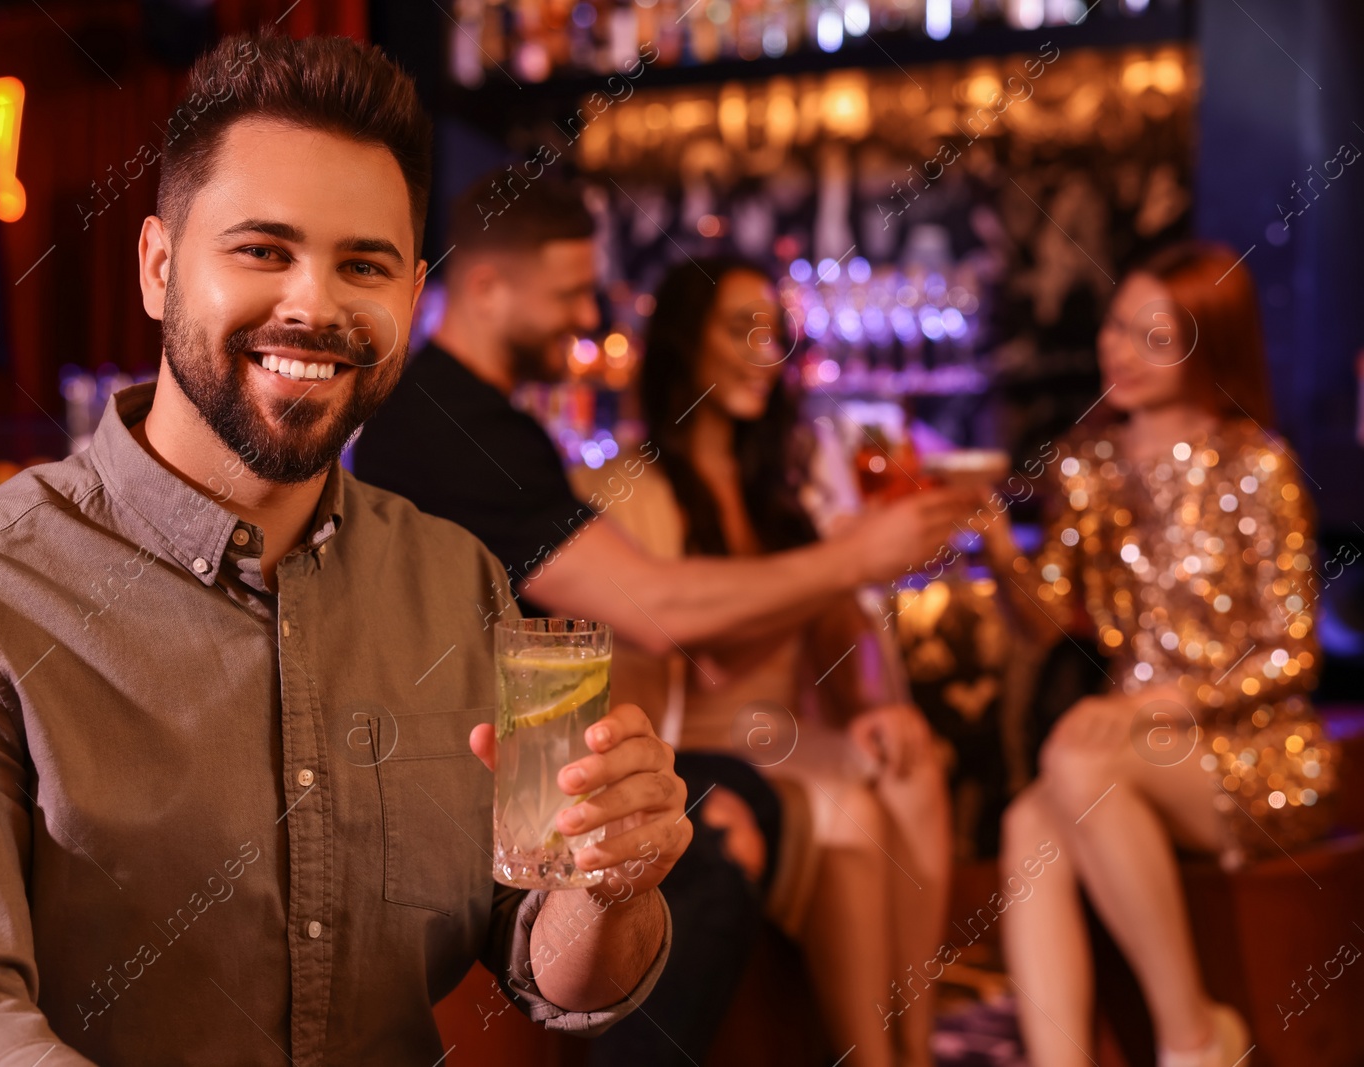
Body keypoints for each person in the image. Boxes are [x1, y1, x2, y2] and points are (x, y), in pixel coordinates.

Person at [0, 35, 691, 1067]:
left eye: (363, 264)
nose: (313, 306)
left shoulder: (457, 585)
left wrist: (606, 887)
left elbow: (546, 963)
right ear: (158, 267)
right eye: (263, 250)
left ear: (411, 299)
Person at [353, 175, 969, 1064]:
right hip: (469, 778)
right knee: (714, 838)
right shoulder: (452, 424)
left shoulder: (479, 420)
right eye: (568, 293)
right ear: (487, 287)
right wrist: (857, 556)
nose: (585, 314)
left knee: (753, 800)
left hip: (516, 759)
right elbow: (660, 610)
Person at [570, 257, 952, 1067]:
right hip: (697, 748)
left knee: (910, 757)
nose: (764, 349)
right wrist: (840, 562)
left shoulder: (782, 491)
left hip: (789, 736)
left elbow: (841, 632)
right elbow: (700, 649)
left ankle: (917, 1046)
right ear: (684, 342)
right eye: (740, 328)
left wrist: (879, 696)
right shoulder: (625, 490)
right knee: (851, 809)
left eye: (774, 331)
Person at [978, 242, 1338, 1067]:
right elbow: (1047, 622)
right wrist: (997, 550)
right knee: (1026, 818)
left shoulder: (1258, 464)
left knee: (1072, 756)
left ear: (1207, 341)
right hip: (1121, 745)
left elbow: (1294, 656)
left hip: (1254, 748)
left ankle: (1191, 1038)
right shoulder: (1087, 465)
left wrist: (1149, 705)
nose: (1122, 351)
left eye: (1155, 334)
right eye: (1115, 326)